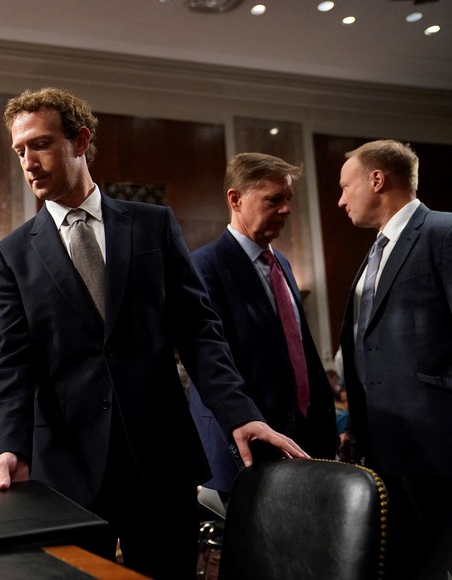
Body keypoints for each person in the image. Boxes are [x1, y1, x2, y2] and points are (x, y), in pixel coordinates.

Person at [0, 87, 307, 578]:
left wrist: (238, 413)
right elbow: (10, 362)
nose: (28, 161)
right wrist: (8, 446)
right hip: (66, 470)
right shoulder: (11, 255)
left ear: (80, 141)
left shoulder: (152, 225)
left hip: (160, 463)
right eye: (20, 150)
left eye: (41, 144)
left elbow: (199, 331)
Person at [188, 152, 337, 501]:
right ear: (235, 199)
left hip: (298, 441)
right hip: (244, 448)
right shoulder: (203, 267)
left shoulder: (281, 262)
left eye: (288, 199)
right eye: (274, 199)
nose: (286, 209)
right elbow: (213, 362)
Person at [337, 139, 452, 579]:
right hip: (384, 450)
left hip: (438, 446)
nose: (341, 199)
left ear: (377, 179)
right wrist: (357, 428)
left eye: (346, 186)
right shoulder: (372, 254)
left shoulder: (443, 232)